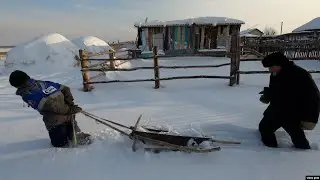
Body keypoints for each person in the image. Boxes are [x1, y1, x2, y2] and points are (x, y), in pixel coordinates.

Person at [9, 70, 91, 148]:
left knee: (60, 144)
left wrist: (70, 108)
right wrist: (70, 106)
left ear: (17, 85)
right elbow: (65, 89)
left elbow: (52, 106)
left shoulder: (27, 94)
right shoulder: (43, 83)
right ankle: (75, 136)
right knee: (73, 135)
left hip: (55, 121)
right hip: (68, 115)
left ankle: (72, 138)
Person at [258, 52, 320, 149]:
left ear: (279, 64)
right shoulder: (276, 73)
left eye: (271, 67)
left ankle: (270, 151)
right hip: (281, 109)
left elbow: (309, 96)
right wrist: (267, 95)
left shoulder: (298, 74)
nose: (269, 70)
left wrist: (310, 117)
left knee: (270, 127)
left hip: (296, 110)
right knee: (267, 127)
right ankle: (300, 149)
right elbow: (278, 91)